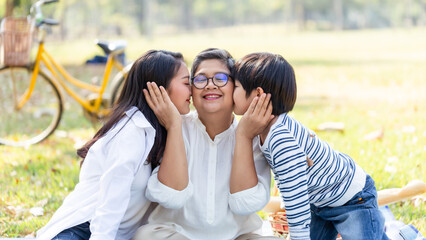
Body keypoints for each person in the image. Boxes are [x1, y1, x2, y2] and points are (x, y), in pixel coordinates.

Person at [36, 50, 192, 240]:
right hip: (84, 230)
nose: (192, 89)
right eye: (186, 83)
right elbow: (112, 197)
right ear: (158, 89)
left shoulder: (166, 129)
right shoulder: (131, 131)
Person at [232, 52, 388, 240]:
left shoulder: (281, 140)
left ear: (258, 95)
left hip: (352, 199)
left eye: (236, 86)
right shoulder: (261, 128)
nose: (230, 92)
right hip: (319, 203)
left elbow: (295, 200)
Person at [133, 48, 279, 240]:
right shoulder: (173, 126)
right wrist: (175, 126)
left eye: (220, 78)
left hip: (239, 236)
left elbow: (245, 204)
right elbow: (170, 197)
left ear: (235, 87)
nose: (210, 85)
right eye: (200, 79)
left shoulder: (252, 133)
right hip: (177, 234)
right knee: (146, 236)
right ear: (191, 90)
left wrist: (243, 136)